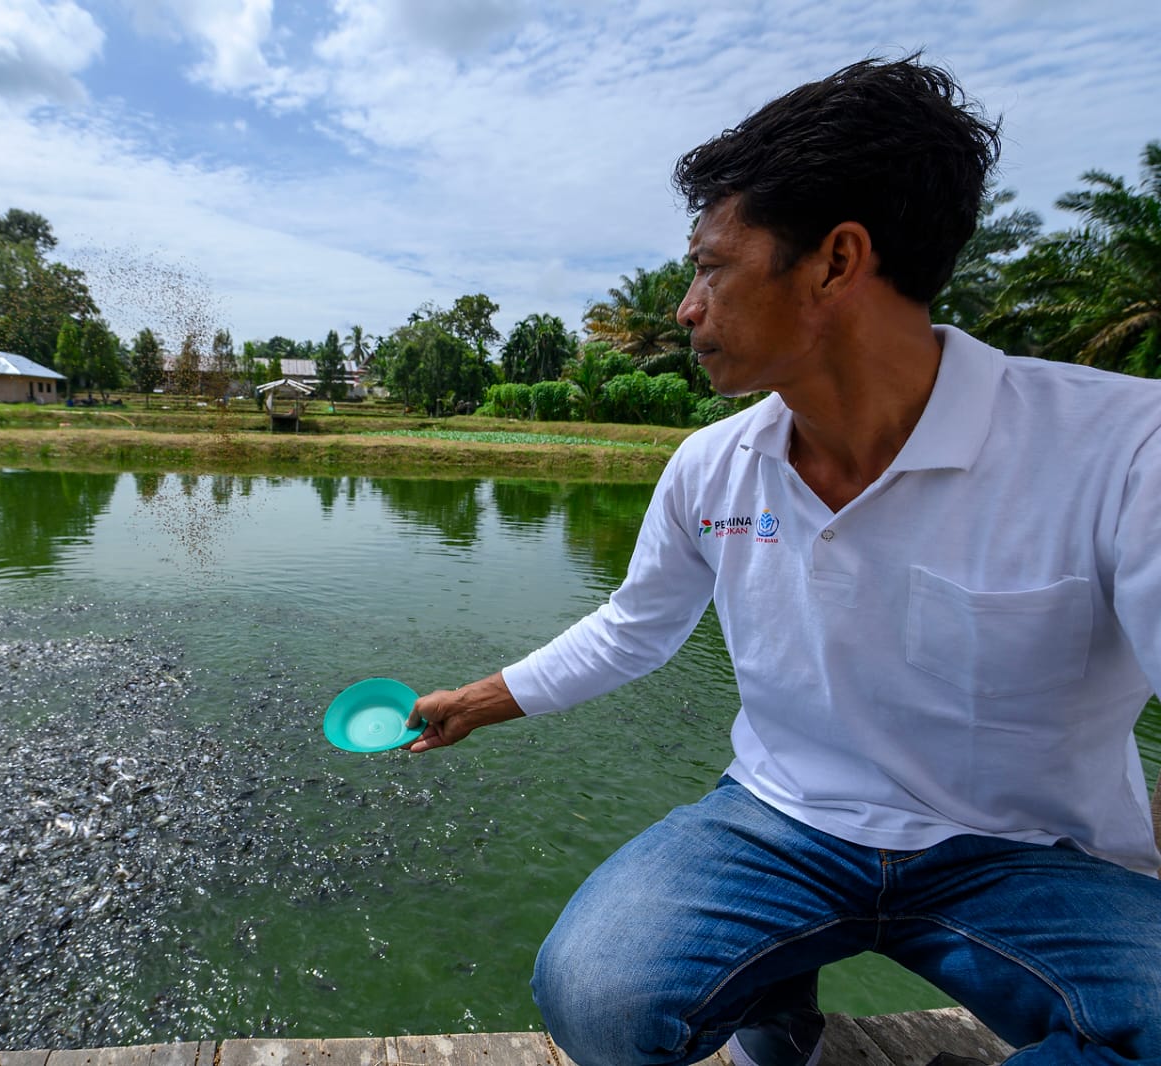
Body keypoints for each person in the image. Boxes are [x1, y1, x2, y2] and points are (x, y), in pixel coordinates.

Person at [407, 56, 1161, 1066]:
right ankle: (780, 1018)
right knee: (594, 991)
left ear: (835, 262)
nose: (685, 306)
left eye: (710, 266)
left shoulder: (1121, 448)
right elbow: (637, 625)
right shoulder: (712, 465)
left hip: (1026, 852)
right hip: (782, 822)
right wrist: (477, 699)